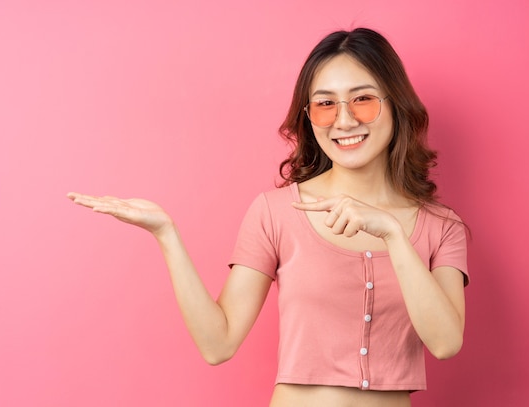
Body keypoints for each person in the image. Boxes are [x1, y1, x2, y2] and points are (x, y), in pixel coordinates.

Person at [68, 27, 468, 407]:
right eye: (326, 104)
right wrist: (166, 234)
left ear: (395, 105)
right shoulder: (276, 213)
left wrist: (393, 236)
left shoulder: (442, 227)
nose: (344, 120)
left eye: (362, 99)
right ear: (310, 117)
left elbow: (446, 343)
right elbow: (218, 343)